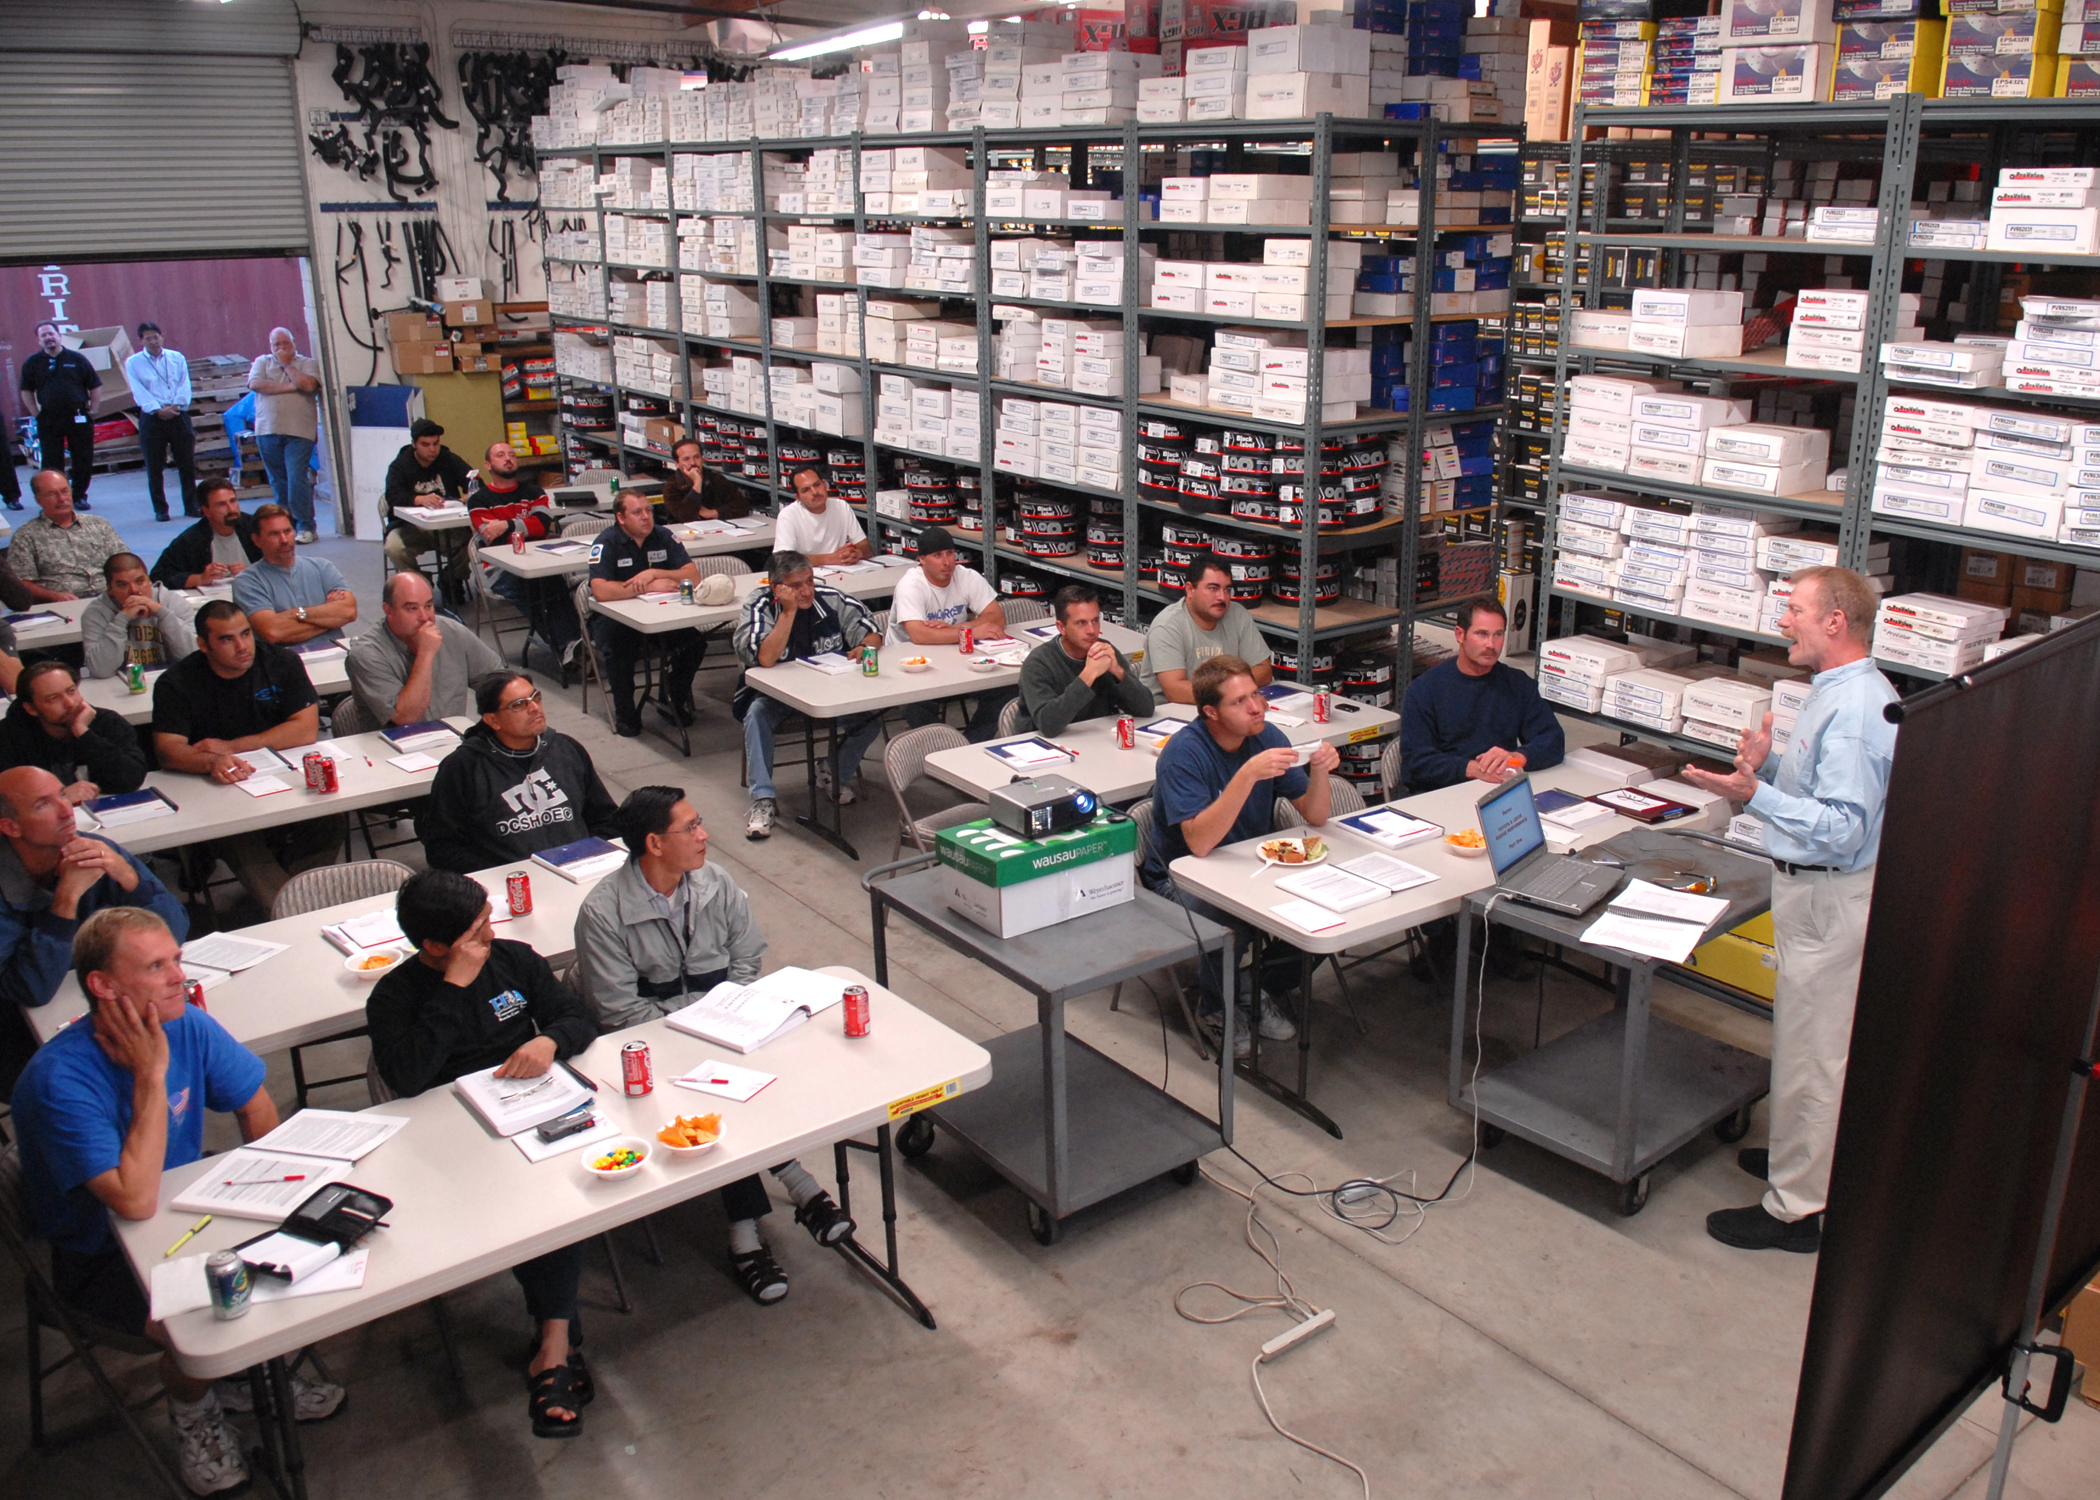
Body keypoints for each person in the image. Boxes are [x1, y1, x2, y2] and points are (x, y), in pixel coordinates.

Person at [11, 908, 345, 1495]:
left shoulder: (185, 1021)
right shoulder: (59, 1080)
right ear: (103, 986)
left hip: (190, 1215)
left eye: (177, 960)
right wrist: (150, 1075)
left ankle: (245, 1374)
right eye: (157, 966)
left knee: (303, 1262)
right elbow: (134, 1203)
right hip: (100, 1254)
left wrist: (275, 1196)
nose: (178, 978)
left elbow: (255, 1103)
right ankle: (196, 1413)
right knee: (208, 1322)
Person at [1682, 566, 1899, 1255]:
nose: (1783, 621)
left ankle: (1796, 1212)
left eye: (1796, 609)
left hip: (1832, 897)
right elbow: (1821, 795)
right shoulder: (1833, 693)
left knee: (1815, 1056)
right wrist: (1769, 769)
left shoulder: (1860, 708)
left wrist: (1754, 796)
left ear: (1836, 620)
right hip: (1812, 892)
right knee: (1806, 1045)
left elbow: (1842, 827)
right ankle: (1803, 1166)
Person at [574, 786, 857, 1303]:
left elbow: (748, 955)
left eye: (701, 823)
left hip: (727, 1027)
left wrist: (733, 1009)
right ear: (654, 844)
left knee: (780, 1070)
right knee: (710, 1102)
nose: (705, 836)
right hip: (652, 1047)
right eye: (691, 828)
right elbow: (619, 1011)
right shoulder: (603, 912)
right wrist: (698, 1024)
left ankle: (791, 1187)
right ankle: (756, 1226)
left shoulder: (715, 883)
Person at [364, 870, 597, 1439]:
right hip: (450, 1139)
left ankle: (553, 1345)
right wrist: (455, 989)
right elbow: (409, 1076)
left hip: (533, 1109)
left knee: (558, 1192)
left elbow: (578, 1017)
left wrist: (548, 1041)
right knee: (538, 1200)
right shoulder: (394, 996)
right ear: (435, 947)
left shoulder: (515, 960)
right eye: (476, 931)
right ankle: (557, 1346)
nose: (490, 934)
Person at [1142, 655, 1340, 1058]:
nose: (1256, 707)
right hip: (1180, 878)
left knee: (1331, 903)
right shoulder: (1184, 754)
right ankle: (1215, 1006)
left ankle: (1253, 985)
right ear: (1211, 713)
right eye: (1240, 702)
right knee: (1230, 917)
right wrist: (1247, 774)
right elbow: (1198, 844)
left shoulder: (1268, 736)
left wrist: (1321, 771)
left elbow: (1316, 815)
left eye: (1256, 695)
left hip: (1252, 865)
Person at [152, 600, 337, 906]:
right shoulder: (177, 683)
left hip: (281, 775)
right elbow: (169, 751)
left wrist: (231, 747)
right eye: (227, 639)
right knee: (237, 831)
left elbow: (305, 729)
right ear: (203, 645)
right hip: (219, 788)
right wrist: (213, 761)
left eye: (246, 634)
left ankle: (299, 894)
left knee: (330, 814)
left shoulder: (281, 663)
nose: (242, 646)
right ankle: (290, 909)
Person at [0, 764, 186, 1009]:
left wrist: (129, 878)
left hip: (97, 993)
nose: (67, 811)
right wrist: (66, 900)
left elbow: (174, 932)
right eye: (43, 805)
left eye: (64, 795)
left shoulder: (93, 848)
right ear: (10, 827)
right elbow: (29, 990)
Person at [732, 550, 884, 841]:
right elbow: (765, 657)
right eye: (796, 585)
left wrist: (866, 646)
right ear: (776, 587)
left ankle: (831, 772)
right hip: (777, 695)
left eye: (810, 581)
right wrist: (789, 612)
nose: (807, 591)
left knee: (872, 716)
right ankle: (763, 799)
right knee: (756, 715)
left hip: (830, 690)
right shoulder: (759, 605)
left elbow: (871, 629)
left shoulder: (830, 598)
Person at [419, 672, 620, 874]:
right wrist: (506, 875)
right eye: (519, 705)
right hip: (512, 885)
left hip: (580, 870)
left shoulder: (566, 749)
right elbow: (442, 848)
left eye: (535, 698)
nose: (534, 708)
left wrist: (588, 856)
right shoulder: (463, 767)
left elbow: (606, 818)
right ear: (492, 720)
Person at [1397, 595, 1565, 795]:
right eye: (1482, 634)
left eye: (1498, 635)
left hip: (1499, 790)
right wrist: (1472, 769)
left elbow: (1553, 740)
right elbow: (1416, 763)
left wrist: (1515, 757)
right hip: (1443, 795)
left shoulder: (1518, 684)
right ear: (1460, 634)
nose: (1491, 645)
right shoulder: (1424, 690)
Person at [587, 489, 703, 737]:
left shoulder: (663, 536)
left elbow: (693, 576)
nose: (646, 517)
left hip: (661, 616)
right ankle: (626, 713)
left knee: (695, 642)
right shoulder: (606, 543)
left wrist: (656, 573)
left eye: (648, 510)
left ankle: (671, 698)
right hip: (615, 619)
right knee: (620, 649)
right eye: (637, 512)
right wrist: (647, 587)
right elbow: (600, 590)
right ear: (621, 518)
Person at [889, 525, 1012, 739]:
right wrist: (973, 631)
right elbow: (919, 635)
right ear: (922, 560)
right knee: (915, 704)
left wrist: (958, 629)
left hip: (956, 657)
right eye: (938, 556)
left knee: (1007, 689)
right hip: (911, 665)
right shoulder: (910, 585)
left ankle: (970, 746)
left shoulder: (966, 576)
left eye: (950, 554)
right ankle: (944, 750)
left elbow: (996, 617)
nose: (947, 562)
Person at [469, 441, 580, 665]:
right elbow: (492, 535)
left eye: (512, 454)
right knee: (536, 589)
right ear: (488, 465)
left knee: (554, 585)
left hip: (540, 560)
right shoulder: (478, 500)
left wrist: (507, 525)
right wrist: (522, 525)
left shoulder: (534, 492)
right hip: (503, 570)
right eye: (501, 455)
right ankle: (571, 645)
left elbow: (542, 524)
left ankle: (573, 645)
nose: (509, 459)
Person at [346, 572, 504, 726]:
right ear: (388, 611)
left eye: (428, 606)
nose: (424, 617)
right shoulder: (366, 654)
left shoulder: (452, 631)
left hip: (451, 742)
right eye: (412, 609)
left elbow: (499, 681)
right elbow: (406, 717)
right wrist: (426, 653)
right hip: (394, 748)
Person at [1016, 584, 1154, 737]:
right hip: (1043, 748)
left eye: (1095, 621)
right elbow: (1048, 725)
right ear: (1061, 628)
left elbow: (1146, 710)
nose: (1091, 630)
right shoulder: (1038, 663)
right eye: (1081, 623)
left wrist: (1118, 672)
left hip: (1095, 739)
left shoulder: (1105, 651)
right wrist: (1088, 675)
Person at [0, 661, 149, 800]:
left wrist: (84, 733)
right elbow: (7, 802)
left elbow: (131, 779)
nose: (69, 703)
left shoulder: (106, 722)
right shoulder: (9, 737)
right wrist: (59, 797)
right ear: (31, 708)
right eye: (53, 698)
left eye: (71, 691)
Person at [1143, 558, 1274, 704]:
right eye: (1213, 588)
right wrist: (1232, 693)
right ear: (1190, 590)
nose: (1222, 597)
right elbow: (1176, 691)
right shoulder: (1167, 627)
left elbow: (1264, 670)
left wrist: (1230, 694)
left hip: (1220, 708)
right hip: (1169, 714)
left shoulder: (1238, 615)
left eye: (1227, 590)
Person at [230, 504, 357, 646]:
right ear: (256, 540)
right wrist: (329, 618)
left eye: (287, 531)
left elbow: (349, 611)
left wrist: (296, 614)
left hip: (335, 653)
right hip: (285, 662)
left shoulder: (322, 567)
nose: (284, 540)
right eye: (274, 534)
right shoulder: (247, 582)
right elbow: (274, 632)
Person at [246, 326, 322, 542]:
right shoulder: (262, 362)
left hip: (299, 432)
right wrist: (291, 387)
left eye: (284, 343)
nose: (280, 348)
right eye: (275, 345)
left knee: (297, 477)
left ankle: (306, 526)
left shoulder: (306, 363)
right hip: (267, 430)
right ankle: (284, 527)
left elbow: (308, 385)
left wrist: (287, 365)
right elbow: (255, 384)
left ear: (293, 343)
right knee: (278, 481)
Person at [17, 321, 100, 508]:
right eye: (43, 335)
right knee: (52, 461)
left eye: (51, 334)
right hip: (49, 419)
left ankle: (79, 495)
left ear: (59, 335)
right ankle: (57, 498)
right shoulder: (33, 363)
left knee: (82, 457)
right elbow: (26, 390)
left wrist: (94, 409)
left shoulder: (76, 359)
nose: (48, 338)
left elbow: (94, 385)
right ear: (39, 340)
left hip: (78, 417)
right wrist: (36, 413)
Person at [9, 470, 128, 601]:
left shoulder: (99, 524)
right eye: (52, 494)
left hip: (109, 599)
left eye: (65, 491)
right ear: (38, 499)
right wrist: (53, 596)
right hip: (62, 606)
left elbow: (126, 563)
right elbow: (22, 583)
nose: (62, 499)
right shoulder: (26, 536)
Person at [383, 418, 474, 586]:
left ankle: (452, 579)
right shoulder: (400, 465)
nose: (432, 449)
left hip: (447, 525)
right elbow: (393, 497)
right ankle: (419, 583)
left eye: (436, 443)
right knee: (393, 548)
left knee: (472, 543)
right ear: (414, 444)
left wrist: (471, 493)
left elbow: (472, 479)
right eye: (425, 444)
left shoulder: (448, 458)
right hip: (409, 526)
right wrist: (418, 499)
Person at [82, 552, 198, 679]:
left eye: (140, 581)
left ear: (149, 581)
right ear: (110, 588)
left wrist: (162, 613)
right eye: (122, 584)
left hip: (170, 680)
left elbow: (193, 657)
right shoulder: (96, 613)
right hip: (120, 686)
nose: (134, 590)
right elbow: (101, 670)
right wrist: (122, 619)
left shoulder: (173, 602)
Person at [123, 322, 197, 522]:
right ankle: (160, 509)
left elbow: (184, 384)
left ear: (162, 337)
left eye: (156, 337)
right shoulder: (133, 363)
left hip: (178, 413)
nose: (153, 341)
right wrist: (157, 409)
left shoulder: (176, 358)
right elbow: (139, 391)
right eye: (148, 338)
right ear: (141, 341)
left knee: (186, 463)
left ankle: (191, 505)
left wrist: (176, 406)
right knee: (154, 466)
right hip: (152, 417)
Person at [150, 477, 263, 591]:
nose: (231, 509)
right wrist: (200, 578)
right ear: (206, 511)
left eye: (233, 501)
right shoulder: (192, 539)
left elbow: (280, 563)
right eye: (221, 504)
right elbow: (158, 576)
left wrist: (252, 572)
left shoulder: (257, 527)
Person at [774, 465, 867, 565]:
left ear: (824, 484)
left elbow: (866, 547)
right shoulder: (788, 515)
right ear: (798, 497)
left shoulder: (842, 507)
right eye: (806, 490)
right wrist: (829, 559)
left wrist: (856, 553)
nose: (815, 492)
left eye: (817, 485)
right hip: (806, 576)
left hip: (842, 573)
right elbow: (783, 560)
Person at [662, 437, 749, 522]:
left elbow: (743, 507)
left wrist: (713, 513)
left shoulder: (715, 478)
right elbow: (686, 517)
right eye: (686, 459)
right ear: (677, 463)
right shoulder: (672, 486)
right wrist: (697, 483)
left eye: (696, 457)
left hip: (717, 528)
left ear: (702, 459)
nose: (693, 463)